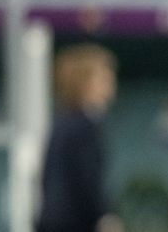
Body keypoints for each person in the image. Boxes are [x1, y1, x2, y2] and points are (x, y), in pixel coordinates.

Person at [37, 43, 122, 232]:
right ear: (84, 82)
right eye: (103, 78)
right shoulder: (85, 125)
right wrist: (103, 216)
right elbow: (86, 178)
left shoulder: (61, 122)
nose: (110, 83)